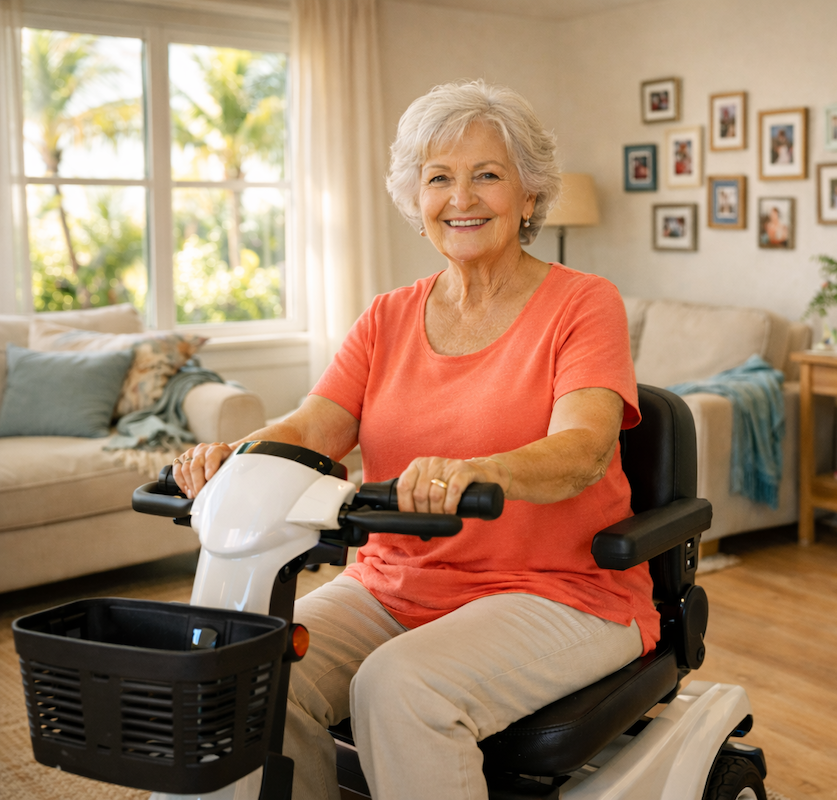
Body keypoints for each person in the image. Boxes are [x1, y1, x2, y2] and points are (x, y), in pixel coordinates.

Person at [171, 79, 654, 800]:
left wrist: (475, 470)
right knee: (251, 670)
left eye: (487, 175)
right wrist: (236, 458)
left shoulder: (583, 303)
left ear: (529, 196)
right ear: (415, 200)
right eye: (439, 179)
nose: (462, 198)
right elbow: (312, 429)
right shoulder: (387, 317)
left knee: (398, 687)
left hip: (561, 591)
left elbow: (583, 449)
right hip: (392, 583)